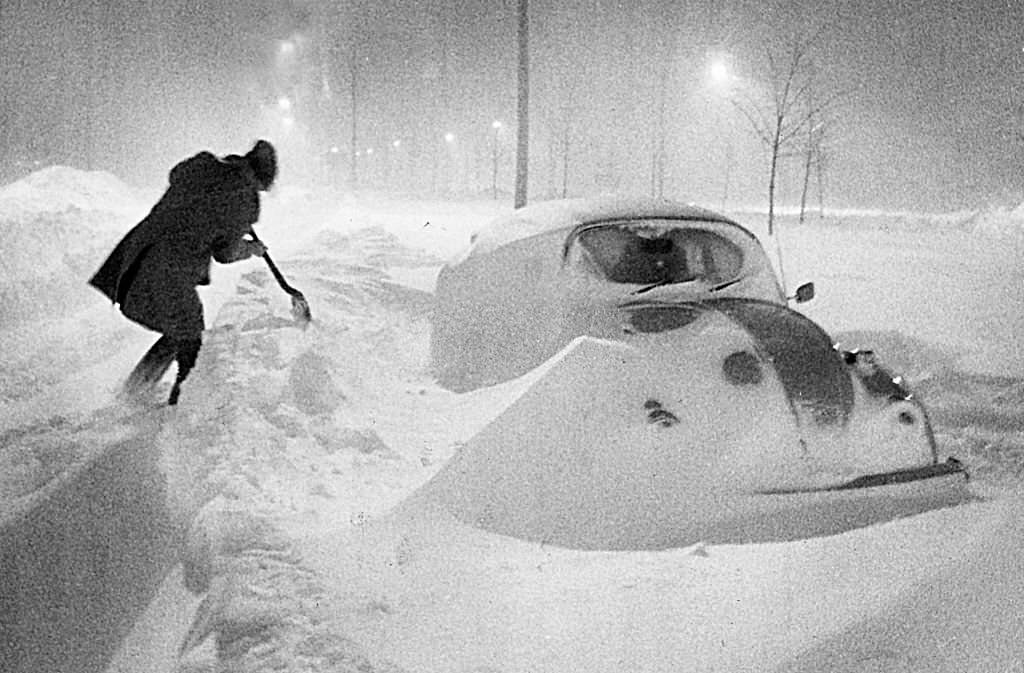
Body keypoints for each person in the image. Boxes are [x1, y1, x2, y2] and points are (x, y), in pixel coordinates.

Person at [89, 140, 278, 405]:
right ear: (261, 178)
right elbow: (225, 254)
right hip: (171, 270)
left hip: (137, 254)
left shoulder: (205, 166)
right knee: (191, 340)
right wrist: (251, 248)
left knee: (179, 332)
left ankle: (135, 390)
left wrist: (218, 181)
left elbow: (177, 174)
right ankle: (184, 410)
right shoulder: (244, 201)